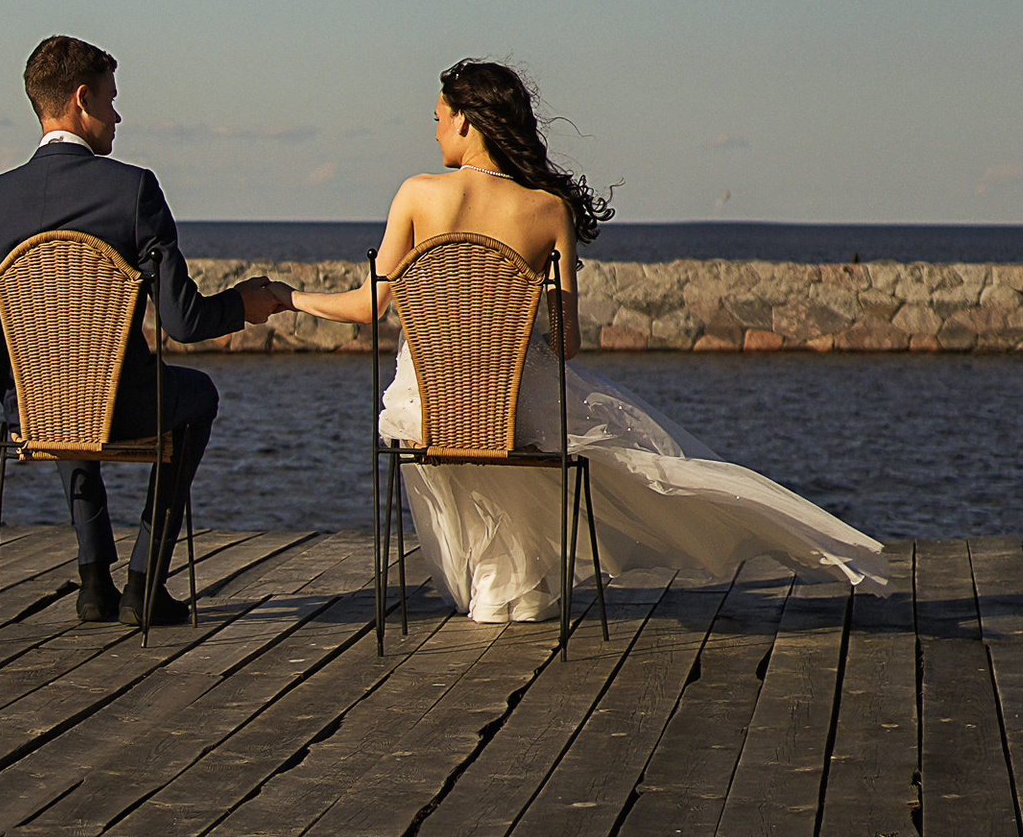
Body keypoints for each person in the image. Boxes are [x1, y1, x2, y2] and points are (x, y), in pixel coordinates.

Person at [291, 56, 885, 621]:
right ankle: (517, 587)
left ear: (466, 121)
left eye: (439, 118)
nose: (436, 131)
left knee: (439, 422)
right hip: (510, 408)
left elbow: (368, 307)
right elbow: (567, 342)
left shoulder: (417, 193)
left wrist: (288, 298)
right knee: (604, 441)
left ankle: (497, 587)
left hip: (427, 407)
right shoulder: (549, 210)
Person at [0, 35, 294, 628]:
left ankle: (94, 580)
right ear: (82, 99)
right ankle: (144, 580)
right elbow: (183, 321)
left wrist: (17, 398)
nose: (117, 116)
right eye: (112, 100)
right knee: (198, 395)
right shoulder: (133, 190)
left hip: (30, 412)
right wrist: (241, 305)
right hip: (124, 409)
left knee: (59, 387)